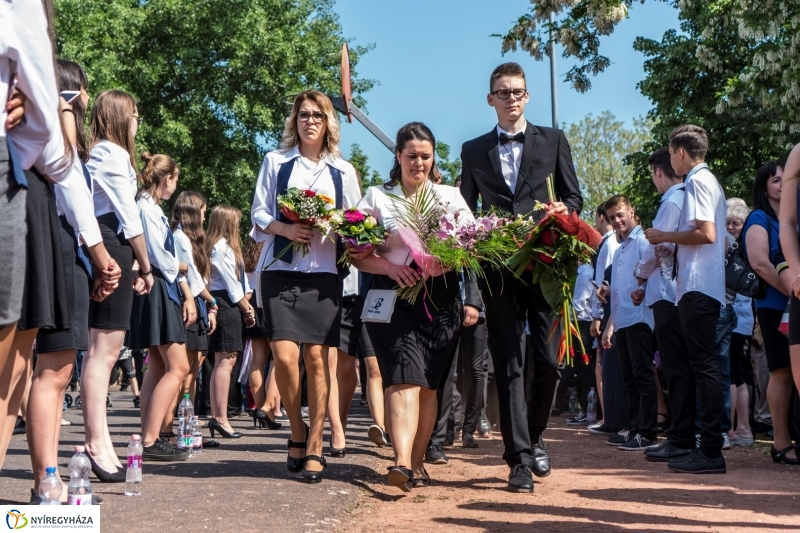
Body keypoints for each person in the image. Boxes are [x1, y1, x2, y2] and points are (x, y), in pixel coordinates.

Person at [458, 62, 582, 493]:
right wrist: (470, 276)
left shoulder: (554, 139)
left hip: (545, 265)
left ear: (527, 96)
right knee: (509, 363)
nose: (511, 98)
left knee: (548, 361)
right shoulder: (473, 150)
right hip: (497, 272)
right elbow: (465, 213)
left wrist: (564, 211)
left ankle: (534, 433)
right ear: (490, 99)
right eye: (503, 92)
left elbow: (574, 196)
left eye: (517, 91)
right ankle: (518, 460)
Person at [353, 121, 479, 492]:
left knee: (428, 387)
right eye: (411, 156)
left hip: (441, 300)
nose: (419, 163)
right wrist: (389, 267)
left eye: (425, 156)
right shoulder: (377, 197)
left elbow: (472, 247)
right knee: (403, 377)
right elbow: (355, 253)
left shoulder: (450, 198)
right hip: (392, 298)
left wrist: (446, 261)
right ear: (398, 156)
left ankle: (418, 462)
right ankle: (401, 462)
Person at [250, 91, 360, 484]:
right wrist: (286, 228)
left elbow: (356, 220)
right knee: (283, 357)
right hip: (279, 270)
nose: (310, 121)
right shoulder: (276, 162)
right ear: (294, 121)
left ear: (328, 123)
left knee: (316, 359)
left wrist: (336, 224)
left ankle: (314, 445)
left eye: (317, 115)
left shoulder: (343, 171)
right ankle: (296, 428)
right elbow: (258, 212)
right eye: (303, 115)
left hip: (324, 274)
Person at [27, 59, 121, 499]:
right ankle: (47, 481)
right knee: (54, 370)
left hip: (62, 249)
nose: (87, 96)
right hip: (61, 247)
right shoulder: (61, 129)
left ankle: (48, 480)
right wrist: (101, 257)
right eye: (84, 88)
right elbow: (74, 197)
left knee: (44, 372)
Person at [644, 124, 728, 474]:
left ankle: (710, 450)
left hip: (698, 284)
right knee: (703, 367)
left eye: (670, 152)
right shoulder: (708, 181)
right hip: (701, 284)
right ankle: (701, 445)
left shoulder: (697, 181)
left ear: (680, 152)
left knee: (704, 367)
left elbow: (706, 233)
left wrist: (664, 235)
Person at [82, 89, 153, 479]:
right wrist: (146, 267)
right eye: (135, 114)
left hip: (107, 241)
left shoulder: (100, 153)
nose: (138, 121)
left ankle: (102, 441)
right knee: (104, 351)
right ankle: (96, 442)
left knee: (104, 350)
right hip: (112, 242)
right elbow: (129, 217)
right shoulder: (112, 153)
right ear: (121, 117)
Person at [129, 152, 193, 461]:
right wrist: (182, 266)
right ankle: (151, 437)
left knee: (156, 364)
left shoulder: (150, 207)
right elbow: (155, 252)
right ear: (167, 178)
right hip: (157, 286)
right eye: (175, 180)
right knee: (179, 367)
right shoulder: (145, 207)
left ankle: (149, 435)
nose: (175, 186)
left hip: (158, 286)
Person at [632, 147, 693, 462]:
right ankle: (683, 435)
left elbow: (658, 246)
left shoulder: (671, 200)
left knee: (675, 368)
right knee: (679, 367)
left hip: (668, 296)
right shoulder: (686, 197)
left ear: (658, 171)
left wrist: (640, 275)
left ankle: (681, 438)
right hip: (677, 292)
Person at [746, 161, 796, 464]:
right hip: (774, 305)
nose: (782, 184)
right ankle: (780, 442)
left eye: (784, 179)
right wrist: (793, 291)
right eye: (775, 180)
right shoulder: (759, 217)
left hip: (793, 302)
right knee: (782, 371)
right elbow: (759, 263)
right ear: (764, 187)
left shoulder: (792, 216)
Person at [597, 196, 656, 451]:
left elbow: (654, 273)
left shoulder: (643, 241)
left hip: (640, 318)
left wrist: (642, 290)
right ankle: (635, 428)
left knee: (642, 376)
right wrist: (607, 291)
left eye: (620, 214)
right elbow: (623, 285)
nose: (617, 221)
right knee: (629, 378)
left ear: (631, 212)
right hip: (622, 321)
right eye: (612, 218)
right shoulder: (619, 249)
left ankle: (648, 432)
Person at [170, 192, 219, 424]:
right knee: (185, 369)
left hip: (196, 300)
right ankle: (181, 418)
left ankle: (188, 416)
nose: (204, 216)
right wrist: (213, 301)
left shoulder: (186, 238)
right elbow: (192, 278)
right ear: (192, 212)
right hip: (188, 301)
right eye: (202, 211)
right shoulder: (180, 238)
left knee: (193, 368)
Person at [241, 237, 281, 430]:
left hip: (252, 303)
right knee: (277, 359)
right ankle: (269, 410)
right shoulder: (271, 245)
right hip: (269, 298)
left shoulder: (247, 252)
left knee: (257, 360)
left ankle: (259, 408)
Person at [726, 202, 755, 446]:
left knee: (732, 375)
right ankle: (742, 428)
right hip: (741, 322)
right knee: (740, 375)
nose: (730, 227)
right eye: (727, 223)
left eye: (736, 223)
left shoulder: (739, 251)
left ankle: (733, 430)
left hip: (736, 321)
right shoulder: (747, 250)